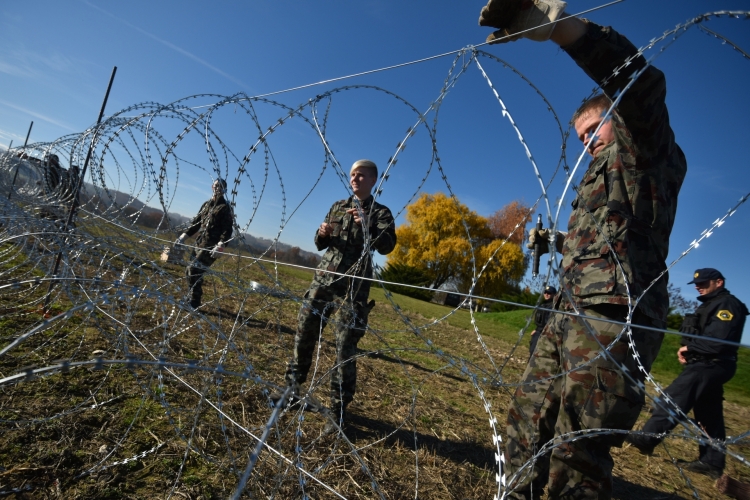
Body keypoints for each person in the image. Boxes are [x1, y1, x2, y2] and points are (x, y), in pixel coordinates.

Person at [478, 1, 687, 497]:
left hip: (615, 316)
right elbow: (610, 236)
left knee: (577, 450)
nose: (589, 141)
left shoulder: (645, 151)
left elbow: (640, 85)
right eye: (581, 137)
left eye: (595, 128)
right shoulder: (600, 174)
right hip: (568, 311)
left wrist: (561, 29)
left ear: (619, 118)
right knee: (525, 424)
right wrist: (556, 241)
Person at [277, 159, 396, 435]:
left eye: (361, 175)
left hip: (353, 287)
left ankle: (338, 410)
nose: (355, 178)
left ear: (373, 180)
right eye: (353, 174)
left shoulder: (381, 213)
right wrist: (321, 233)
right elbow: (321, 244)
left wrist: (369, 226)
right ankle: (292, 390)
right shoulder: (338, 207)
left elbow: (388, 246)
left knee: (344, 346)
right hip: (324, 280)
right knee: (305, 332)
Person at [626, 268, 748, 479]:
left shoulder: (726, 305)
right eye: (697, 284)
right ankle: (712, 462)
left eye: (704, 283)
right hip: (708, 364)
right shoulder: (712, 304)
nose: (699, 287)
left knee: (673, 397)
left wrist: (690, 349)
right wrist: (690, 352)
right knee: (709, 414)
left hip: (710, 365)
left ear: (719, 282)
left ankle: (648, 437)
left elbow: (717, 341)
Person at [176, 178, 234, 309]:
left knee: (194, 269)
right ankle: (191, 297)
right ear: (212, 186)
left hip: (211, 245)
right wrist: (184, 236)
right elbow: (196, 223)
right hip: (199, 242)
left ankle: (194, 302)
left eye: (221, 186)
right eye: (216, 185)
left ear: (224, 190)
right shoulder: (206, 205)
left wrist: (221, 244)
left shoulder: (225, 208)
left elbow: (227, 229)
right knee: (190, 270)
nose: (218, 188)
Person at [529, 285, 556, 359]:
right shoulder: (542, 305)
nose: (546, 294)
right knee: (532, 349)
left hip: (548, 333)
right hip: (539, 331)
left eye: (549, 293)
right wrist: (536, 330)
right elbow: (540, 321)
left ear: (554, 295)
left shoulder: (554, 307)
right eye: (545, 292)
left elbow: (550, 322)